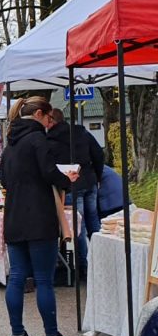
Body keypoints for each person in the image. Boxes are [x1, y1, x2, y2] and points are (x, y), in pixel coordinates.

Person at [0, 96, 78, 336]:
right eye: (48, 118)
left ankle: (18, 334)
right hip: (39, 216)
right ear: (39, 115)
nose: (49, 123)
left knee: (17, 277)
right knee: (44, 279)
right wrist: (67, 179)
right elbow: (48, 172)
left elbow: (4, 180)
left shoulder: (10, 144)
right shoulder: (37, 140)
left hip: (13, 217)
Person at [46, 109, 106, 271]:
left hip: (71, 185)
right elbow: (98, 154)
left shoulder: (50, 140)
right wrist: (97, 176)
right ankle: (101, 260)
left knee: (79, 226)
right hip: (90, 181)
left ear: (51, 121)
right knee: (94, 222)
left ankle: (83, 266)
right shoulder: (82, 132)